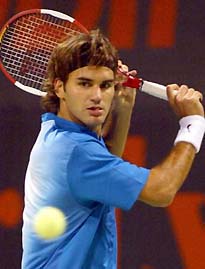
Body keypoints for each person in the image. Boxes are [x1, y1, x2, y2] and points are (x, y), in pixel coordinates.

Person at [21, 29, 205, 269]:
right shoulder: (77, 152)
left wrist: (124, 105)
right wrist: (193, 124)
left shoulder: (58, 134)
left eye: (105, 85)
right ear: (59, 87)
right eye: (84, 83)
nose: (97, 96)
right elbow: (162, 191)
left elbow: (104, 165)